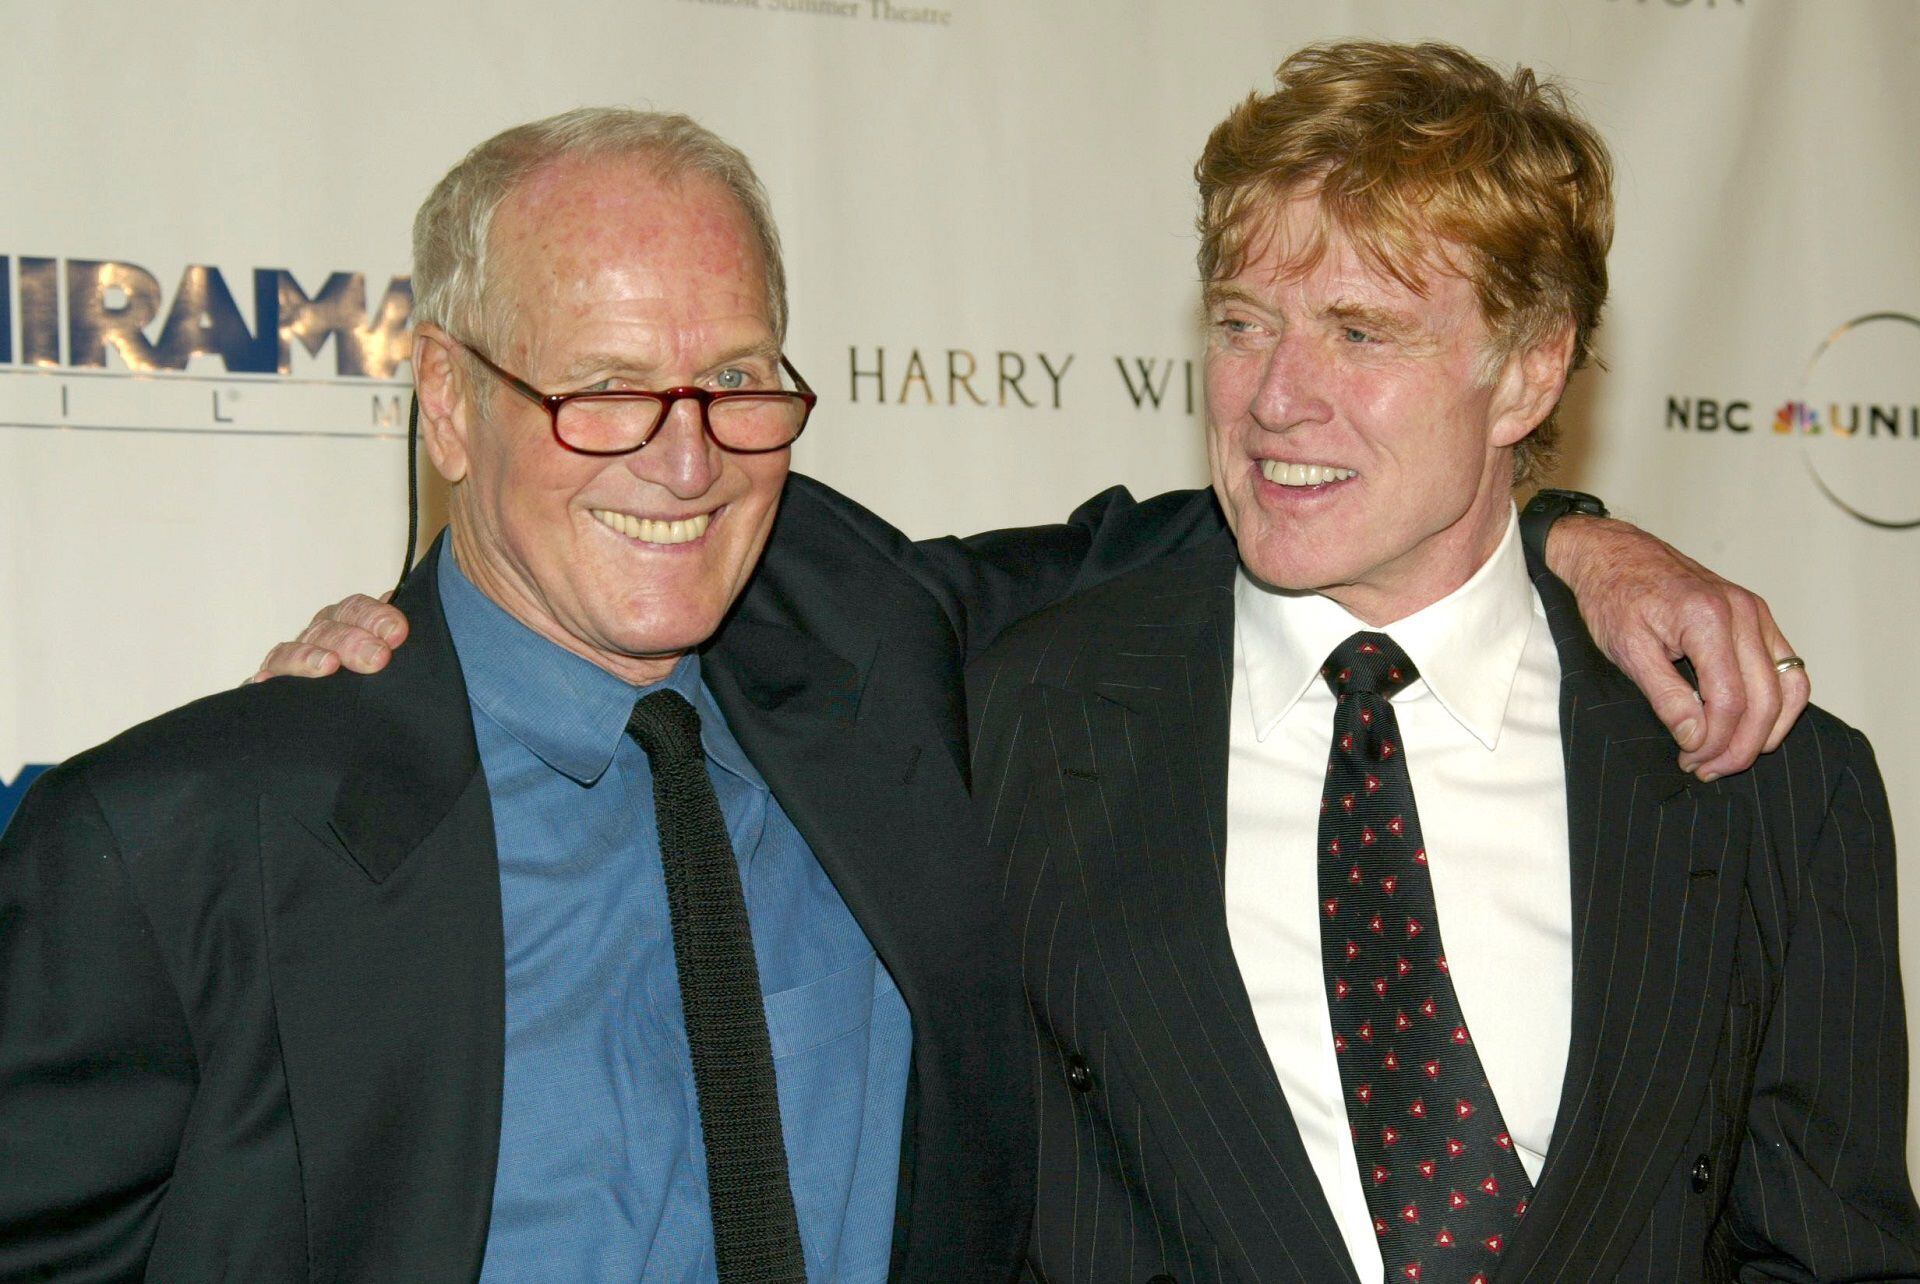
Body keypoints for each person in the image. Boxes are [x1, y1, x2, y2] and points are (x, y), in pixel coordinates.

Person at [3, 106, 1804, 1284]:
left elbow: (1302, 497)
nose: (685, 459)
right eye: (604, 388)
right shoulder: (175, 844)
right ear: (454, 406)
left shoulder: (888, 662)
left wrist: (1581, 534)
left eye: (735, 382)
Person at [965, 40, 1920, 1281]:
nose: (1276, 400)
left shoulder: (1772, 787)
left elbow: (1832, 1257)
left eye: (1361, 333)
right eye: (1245, 324)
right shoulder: (1021, 722)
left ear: (1527, 368)